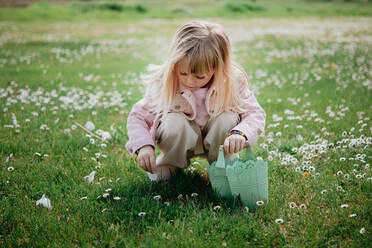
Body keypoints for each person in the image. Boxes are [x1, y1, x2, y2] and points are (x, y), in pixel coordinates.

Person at [125, 20, 266, 181]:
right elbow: (138, 117)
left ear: (216, 67)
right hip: (179, 139)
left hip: (218, 141)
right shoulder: (164, 81)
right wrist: (143, 146)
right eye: (183, 73)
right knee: (173, 121)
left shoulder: (231, 81)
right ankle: (170, 163)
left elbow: (255, 113)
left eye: (199, 76)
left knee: (226, 118)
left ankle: (223, 164)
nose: (190, 81)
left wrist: (240, 134)